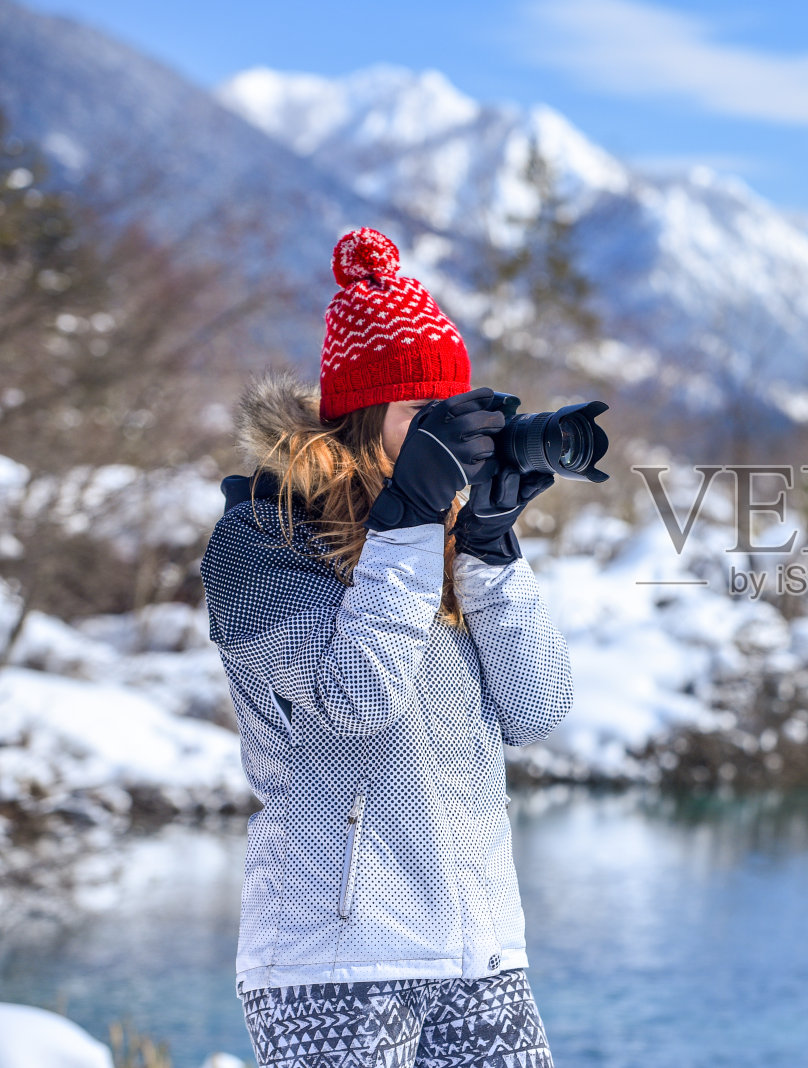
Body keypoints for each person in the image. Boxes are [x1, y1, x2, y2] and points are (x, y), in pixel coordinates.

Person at [199, 227, 573, 1067]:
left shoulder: (445, 545)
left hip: (480, 952)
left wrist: (489, 553)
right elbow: (356, 702)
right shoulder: (260, 540)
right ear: (363, 420)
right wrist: (408, 526)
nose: (454, 443)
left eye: (457, 415)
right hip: (335, 959)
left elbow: (538, 710)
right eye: (422, 417)